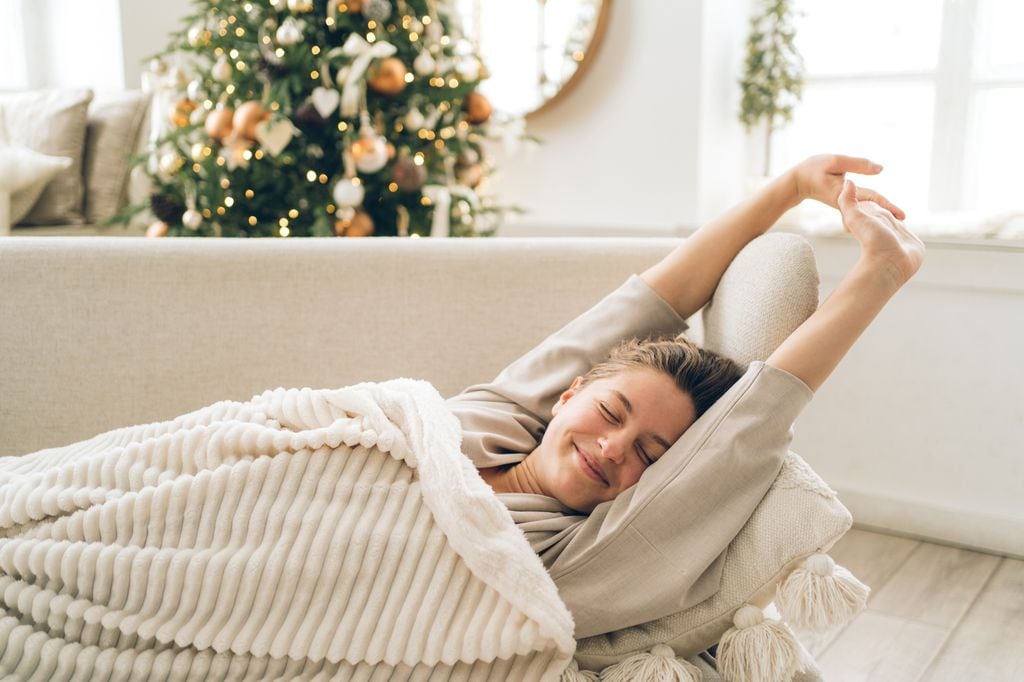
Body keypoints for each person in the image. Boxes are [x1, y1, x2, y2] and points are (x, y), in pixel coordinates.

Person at [445, 154, 926, 639]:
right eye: (610, 412)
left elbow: (751, 423)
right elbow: (639, 308)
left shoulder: (569, 554)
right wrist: (792, 186)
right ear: (568, 395)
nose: (612, 448)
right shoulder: (493, 421)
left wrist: (882, 272)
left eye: (648, 453)